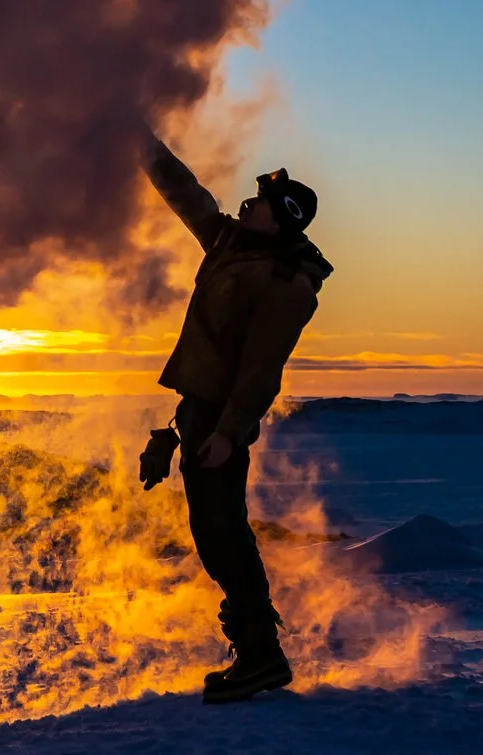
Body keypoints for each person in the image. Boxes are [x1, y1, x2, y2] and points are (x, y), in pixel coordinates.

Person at [138, 131, 334, 704]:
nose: (247, 202)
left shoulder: (286, 286)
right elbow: (188, 195)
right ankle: (257, 653)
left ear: (281, 221)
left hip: (222, 420)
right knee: (213, 533)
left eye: (260, 202)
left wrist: (228, 431)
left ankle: (261, 657)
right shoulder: (229, 243)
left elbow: (260, 369)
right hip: (198, 412)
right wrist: (140, 141)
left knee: (223, 533)